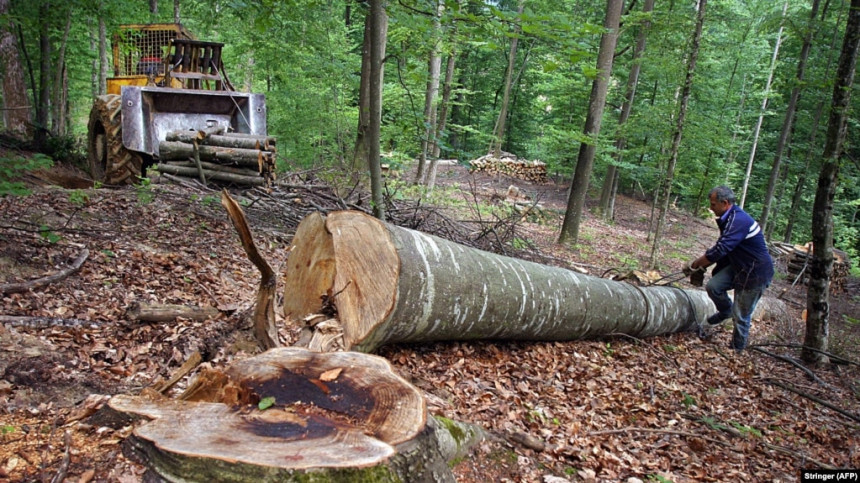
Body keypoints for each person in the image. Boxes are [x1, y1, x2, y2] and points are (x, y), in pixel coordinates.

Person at [687, 185, 774, 352]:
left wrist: (698, 263)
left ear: (725, 203)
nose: (711, 208)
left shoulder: (738, 220)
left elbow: (721, 249)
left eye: (713, 205)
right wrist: (703, 266)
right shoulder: (729, 218)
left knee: (741, 315)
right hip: (738, 267)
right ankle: (725, 310)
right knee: (714, 286)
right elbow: (723, 248)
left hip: (755, 273)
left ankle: (736, 350)